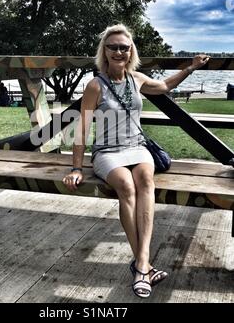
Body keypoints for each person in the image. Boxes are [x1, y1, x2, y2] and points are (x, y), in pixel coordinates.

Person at [62, 24, 210, 298]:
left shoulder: (136, 78)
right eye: (113, 47)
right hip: (107, 152)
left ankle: (141, 263)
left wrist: (191, 68)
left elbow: (164, 86)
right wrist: (75, 168)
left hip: (137, 147)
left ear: (131, 51)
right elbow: (81, 129)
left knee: (145, 180)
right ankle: (144, 265)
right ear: (104, 52)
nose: (119, 51)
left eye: (124, 47)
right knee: (126, 187)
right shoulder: (95, 86)